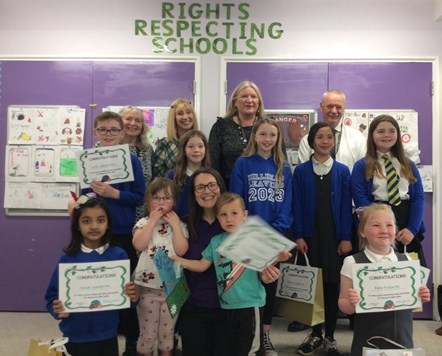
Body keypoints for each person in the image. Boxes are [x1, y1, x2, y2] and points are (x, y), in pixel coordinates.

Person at [172, 192, 290, 356]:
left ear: (245, 215)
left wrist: (278, 258)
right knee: (228, 349)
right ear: (218, 217)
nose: (229, 219)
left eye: (234, 213)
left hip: (250, 306)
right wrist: (179, 260)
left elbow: (265, 269)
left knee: (249, 350)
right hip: (225, 308)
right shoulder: (216, 241)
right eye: (223, 215)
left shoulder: (253, 240)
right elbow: (201, 265)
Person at [80, 111, 146, 356]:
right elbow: (84, 197)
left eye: (113, 130)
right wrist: (81, 201)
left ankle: (131, 340)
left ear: (122, 133)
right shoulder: (87, 161)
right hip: (95, 235)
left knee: (127, 289)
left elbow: (140, 196)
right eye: (103, 130)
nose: (108, 134)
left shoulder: (133, 161)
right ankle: (98, 338)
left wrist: (114, 194)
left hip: (122, 233)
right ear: (95, 132)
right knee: (97, 286)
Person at [45, 195, 139, 356]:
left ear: (108, 224)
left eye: (100, 220)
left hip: (107, 334)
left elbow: (126, 299)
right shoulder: (68, 259)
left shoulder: (119, 256)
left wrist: (133, 296)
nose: (94, 226)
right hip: (75, 335)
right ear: (77, 226)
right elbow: (52, 296)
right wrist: (59, 308)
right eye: (86, 221)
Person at [230, 117, 293, 356]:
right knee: (247, 287)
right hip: (248, 236)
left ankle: (265, 336)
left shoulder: (283, 166)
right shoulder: (243, 164)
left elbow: (288, 204)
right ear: (255, 136)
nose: (268, 139)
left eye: (272, 135)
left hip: (274, 237)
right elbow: (236, 200)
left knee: (269, 286)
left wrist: (276, 232)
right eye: (263, 134)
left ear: (278, 139)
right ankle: (248, 335)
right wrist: (246, 230)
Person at [292, 122, 353, 356]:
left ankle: (330, 336)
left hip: (334, 238)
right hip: (309, 238)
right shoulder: (301, 171)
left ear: (334, 142)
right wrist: (298, 235)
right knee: (312, 288)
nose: (325, 141)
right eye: (320, 137)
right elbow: (296, 204)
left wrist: (346, 237)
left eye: (329, 137)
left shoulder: (342, 171)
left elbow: (346, 208)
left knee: (330, 286)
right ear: (312, 142)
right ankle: (315, 334)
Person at [338, 203, 431, 356]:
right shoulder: (352, 262)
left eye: (389, 225)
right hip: (368, 340)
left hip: (402, 339)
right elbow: (343, 303)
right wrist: (351, 303)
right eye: (376, 225)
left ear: (395, 230)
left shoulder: (406, 260)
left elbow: (411, 306)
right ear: (362, 232)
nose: (384, 230)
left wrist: (420, 297)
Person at [351, 115, 427, 266]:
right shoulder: (362, 166)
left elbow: (418, 197)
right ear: (372, 135)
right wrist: (380, 229)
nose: (387, 135)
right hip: (377, 220)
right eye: (381, 131)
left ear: (397, 135)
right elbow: (360, 199)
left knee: (409, 274)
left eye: (392, 131)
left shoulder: (408, 164)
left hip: (406, 221)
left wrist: (412, 229)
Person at [132, 177, 189, 356]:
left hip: (173, 289)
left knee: (167, 335)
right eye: (156, 198)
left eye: (167, 198)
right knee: (147, 335)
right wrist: (152, 221)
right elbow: (138, 245)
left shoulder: (179, 225)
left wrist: (176, 227)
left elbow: (182, 250)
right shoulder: (143, 223)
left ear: (174, 202)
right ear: (149, 200)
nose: (161, 202)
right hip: (147, 288)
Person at [176, 168, 227, 356]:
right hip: (195, 308)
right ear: (193, 194)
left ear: (221, 187)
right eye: (200, 187)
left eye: (212, 185)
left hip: (229, 309)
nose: (207, 191)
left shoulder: (234, 224)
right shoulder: (185, 225)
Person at [209, 81, 265, 187]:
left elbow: (280, 160)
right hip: (228, 190)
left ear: (259, 102)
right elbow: (212, 165)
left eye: (253, 96)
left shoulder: (268, 127)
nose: (249, 100)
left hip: (262, 191)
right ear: (235, 101)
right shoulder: (221, 127)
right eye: (244, 96)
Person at [298, 90, 366, 172]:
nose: (334, 111)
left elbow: (363, 172)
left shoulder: (358, 138)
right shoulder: (307, 140)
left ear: (344, 109)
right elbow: (304, 174)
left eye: (338, 107)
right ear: (321, 107)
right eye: (329, 106)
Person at [119, 105, 154, 221]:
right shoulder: (108, 148)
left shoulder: (148, 150)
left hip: (142, 215)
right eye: (128, 119)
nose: (133, 123)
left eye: (138, 121)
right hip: (117, 213)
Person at [167, 130, 211, 218]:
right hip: (178, 223)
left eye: (200, 146)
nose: (196, 150)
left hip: (202, 224)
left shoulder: (211, 176)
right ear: (184, 150)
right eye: (191, 146)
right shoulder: (172, 175)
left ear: (205, 150)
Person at [153, 99, 199, 179]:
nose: (185, 117)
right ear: (173, 118)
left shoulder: (201, 143)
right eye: (180, 114)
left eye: (188, 112)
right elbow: (158, 178)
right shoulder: (164, 144)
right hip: (172, 189)